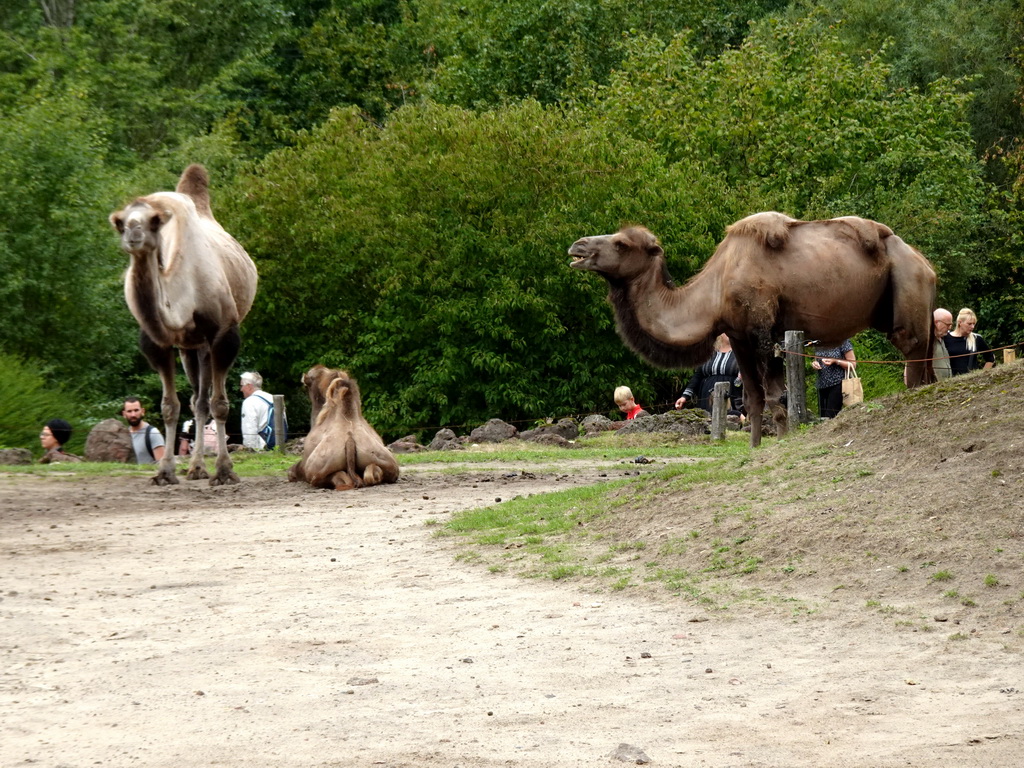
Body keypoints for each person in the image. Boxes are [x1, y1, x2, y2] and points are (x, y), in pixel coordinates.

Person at [674, 334, 743, 416]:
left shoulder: (741, 353)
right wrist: (685, 396)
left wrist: (739, 380)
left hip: (732, 397)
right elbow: (698, 376)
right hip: (707, 398)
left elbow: (747, 379)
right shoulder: (708, 352)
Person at [944, 307, 995, 376]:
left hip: (971, 381)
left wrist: (982, 374)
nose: (972, 327)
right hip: (950, 381)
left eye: (974, 324)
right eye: (969, 324)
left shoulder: (976, 338)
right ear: (960, 323)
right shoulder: (946, 338)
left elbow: (990, 358)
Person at [812, 339, 856, 419]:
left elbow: (853, 364)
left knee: (830, 416)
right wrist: (815, 364)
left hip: (838, 384)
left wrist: (836, 361)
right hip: (822, 385)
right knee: (822, 417)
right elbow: (816, 359)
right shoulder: (819, 342)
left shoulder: (843, 341)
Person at [122, 397, 165, 464]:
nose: (133, 415)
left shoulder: (153, 433)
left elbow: (162, 465)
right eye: (129, 411)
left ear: (142, 411)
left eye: (136, 410)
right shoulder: (123, 435)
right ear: (124, 414)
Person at [241, 371, 273, 451]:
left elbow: (249, 429)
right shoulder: (272, 398)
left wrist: (250, 450)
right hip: (278, 446)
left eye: (242, 385)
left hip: (261, 448)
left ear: (249, 386)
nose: (241, 389)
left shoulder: (249, 402)